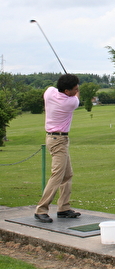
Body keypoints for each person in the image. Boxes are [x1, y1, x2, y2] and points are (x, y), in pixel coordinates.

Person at [34, 74, 81, 223]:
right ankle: (41, 209)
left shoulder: (49, 92)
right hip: (58, 140)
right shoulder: (70, 102)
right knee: (57, 176)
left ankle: (63, 208)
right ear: (67, 91)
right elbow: (77, 98)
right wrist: (76, 90)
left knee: (67, 175)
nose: (77, 89)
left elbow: (55, 88)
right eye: (75, 88)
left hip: (56, 138)